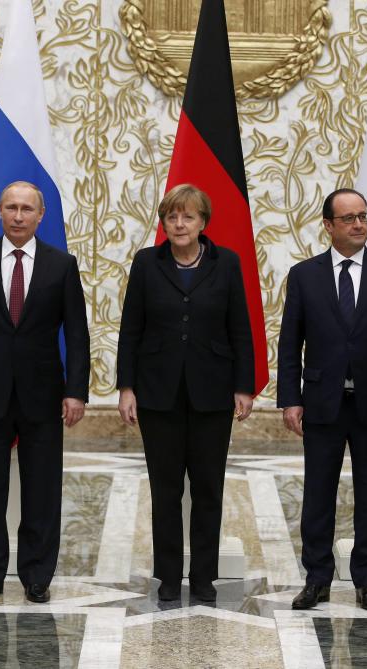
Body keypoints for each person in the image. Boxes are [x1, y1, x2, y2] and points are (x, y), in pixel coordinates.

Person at [0, 181, 90, 604]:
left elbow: (78, 335)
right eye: (10, 207)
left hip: (44, 393)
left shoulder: (61, 265)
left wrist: (76, 391)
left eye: (27, 208)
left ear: (40, 216)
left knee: (42, 488)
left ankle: (36, 574)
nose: (18, 215)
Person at [277, 188, 367, 612]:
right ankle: (317, 578)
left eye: (363, 216)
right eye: (349, 218)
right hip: (321, 401)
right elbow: (290, 343)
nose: (359, 224)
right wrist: (290, 399)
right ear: (329, 225)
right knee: (319, 492)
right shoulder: (305, 275)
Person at [116, 184, 254, 602]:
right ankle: (170, 576)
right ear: (164, 221)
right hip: (159, 394)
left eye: (188, 217)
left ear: (203, 223)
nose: (179, 224)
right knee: (166, 489)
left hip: (212, 392)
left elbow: (240, 330)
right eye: (172, 216)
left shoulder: (226, 263)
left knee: (208, 488)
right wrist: (126, 386)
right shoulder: (146, 263)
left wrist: (244, 387)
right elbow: (131, 329)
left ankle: (204, 578)